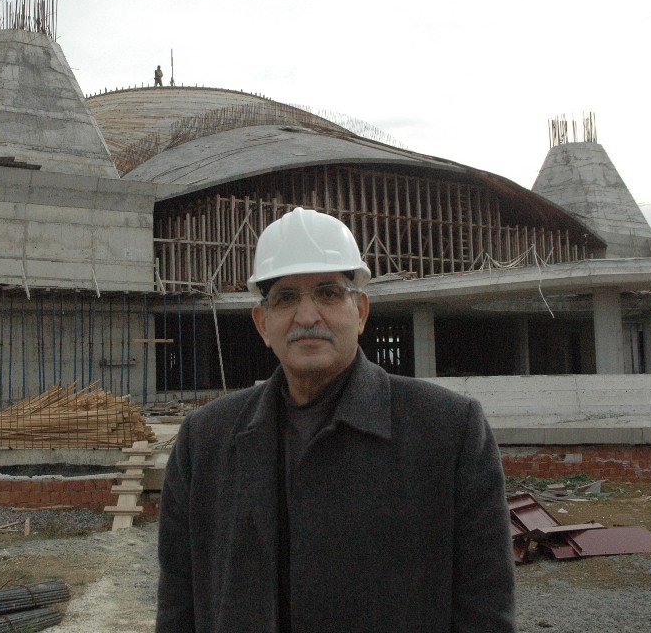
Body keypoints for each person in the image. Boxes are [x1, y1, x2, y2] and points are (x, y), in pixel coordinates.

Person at [157, 207, 515, 632]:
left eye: (328, 293)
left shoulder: (447, 431)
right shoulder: (205, 441)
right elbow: (178, 604)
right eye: (286, 297)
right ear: (263, 323)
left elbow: (485, 610)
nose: (307, 317)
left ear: (361, 311)